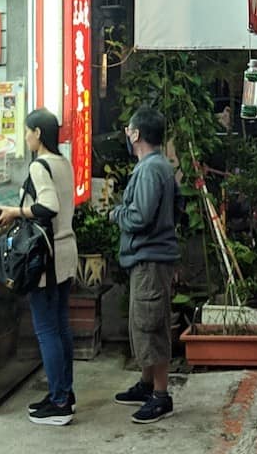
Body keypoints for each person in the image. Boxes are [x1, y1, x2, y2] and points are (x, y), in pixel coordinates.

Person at [0, 108, 78, 427]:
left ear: (38, 133)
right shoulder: (63, 162)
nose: (26, 136)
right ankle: (63, 393)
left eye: (27, 131)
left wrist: (15, 211)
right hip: (66, 251)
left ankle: (60, 401)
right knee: (61, 326)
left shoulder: (41, 165)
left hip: (48, 257)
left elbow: (48, 207)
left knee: (46, 329)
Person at [111, 106, 181, 425]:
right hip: (151, 258)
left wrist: (116, 214)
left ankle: (161, 396)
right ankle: (146, 384)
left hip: (151, 260)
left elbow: (140, 216)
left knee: (151, 326)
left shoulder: (151, 169)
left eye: (129, 129)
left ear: (137, 133)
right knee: (144, 323)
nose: (126, 133)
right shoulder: (157, 166)